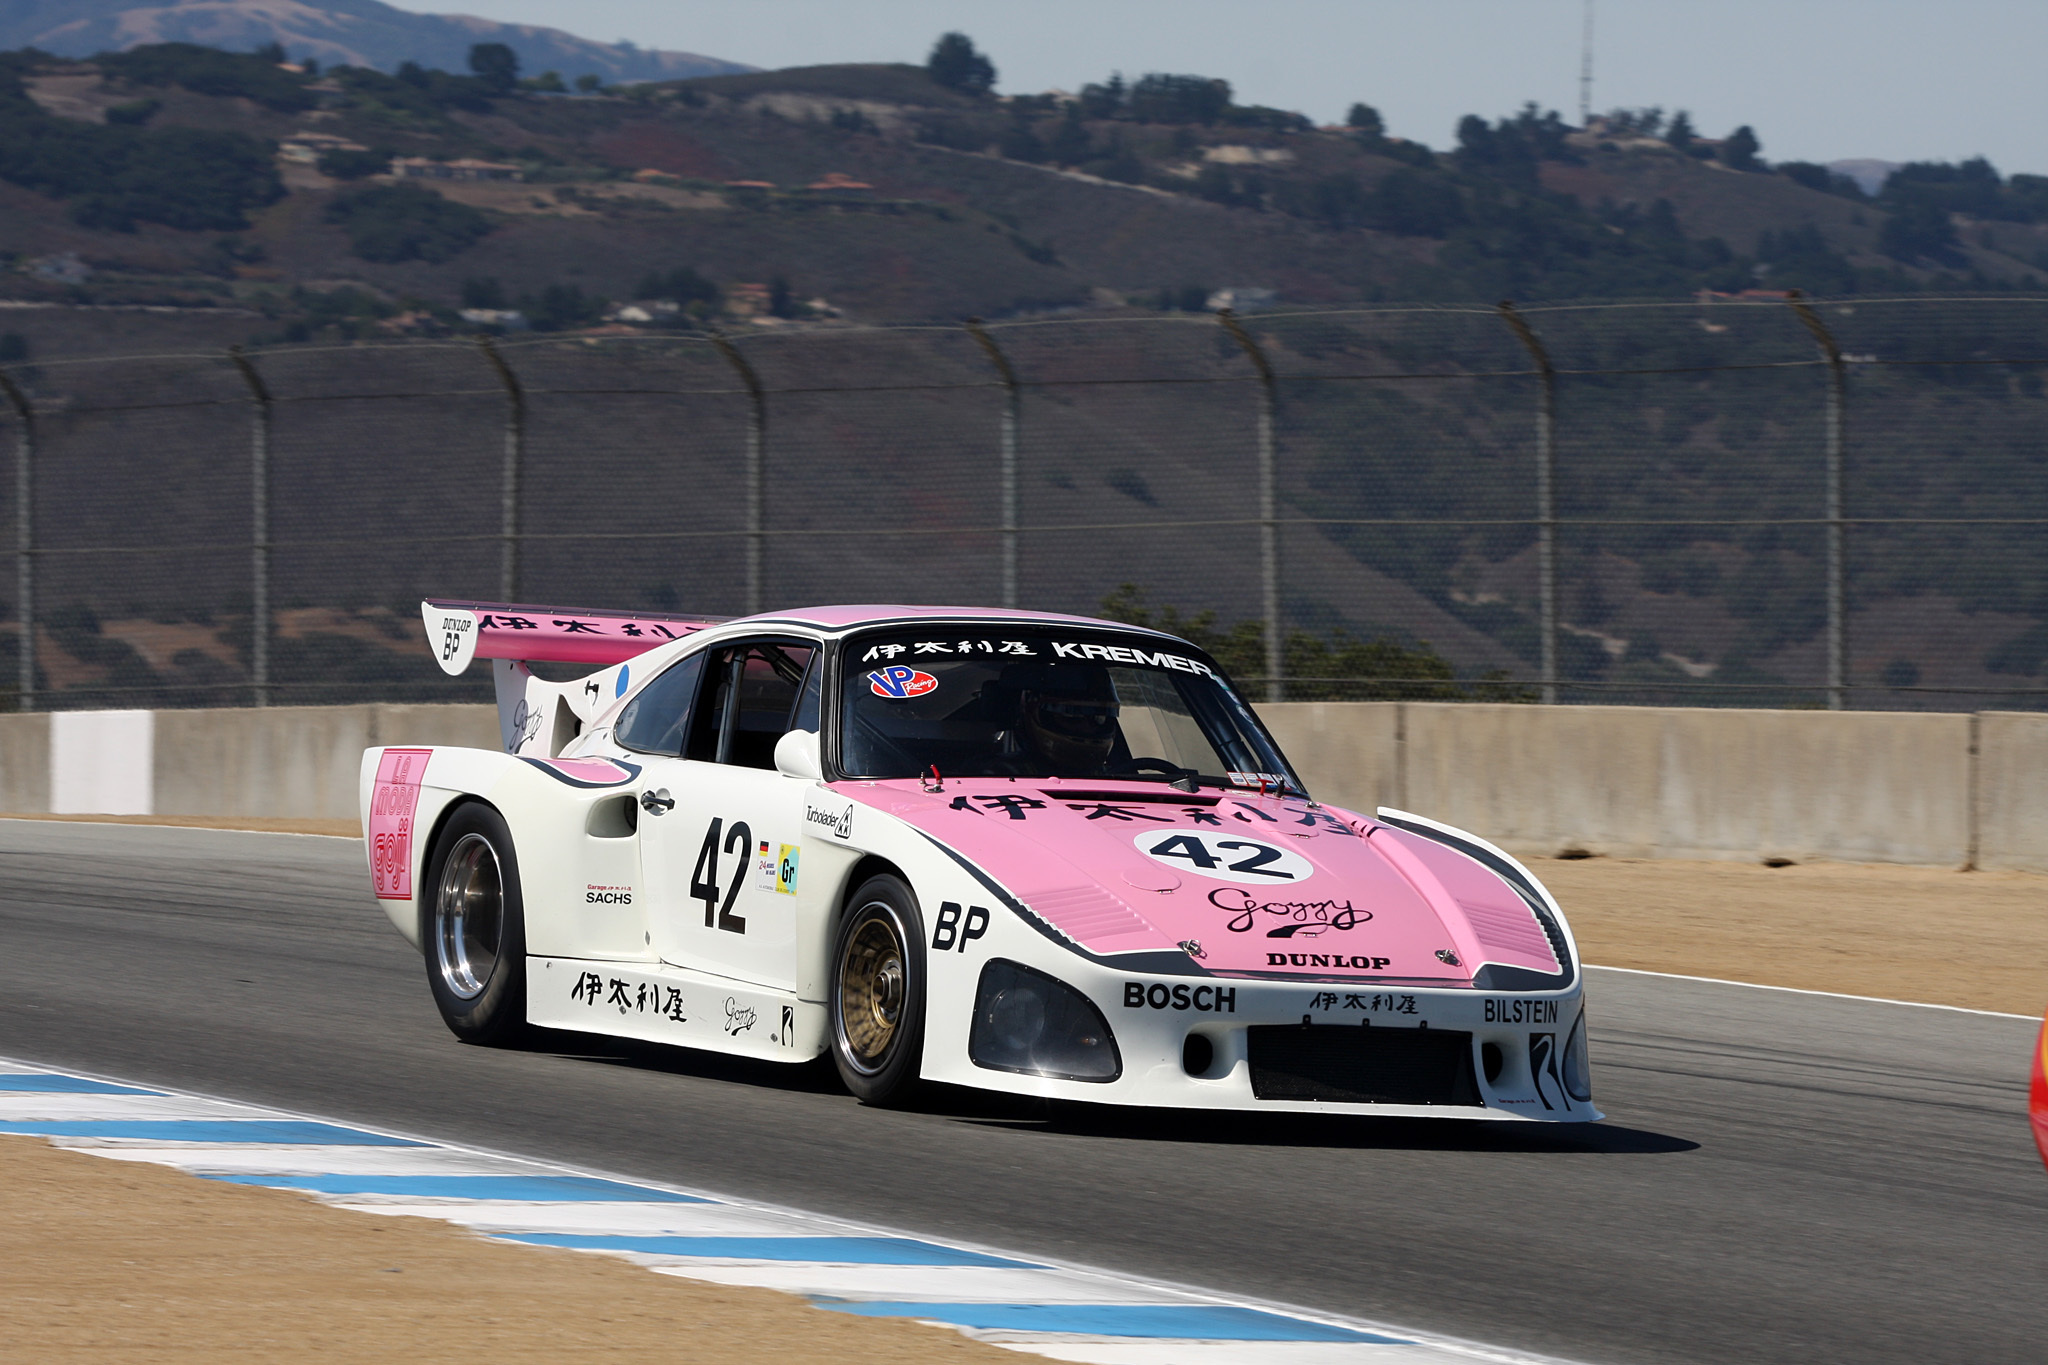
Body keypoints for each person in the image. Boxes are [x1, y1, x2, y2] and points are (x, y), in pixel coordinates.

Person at [1005, 663, 1122, 773]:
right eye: (1072, 716)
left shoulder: (1115, 776)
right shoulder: (1001, 776)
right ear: (1036, 714)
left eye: (1098, 718)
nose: (1087, 728)